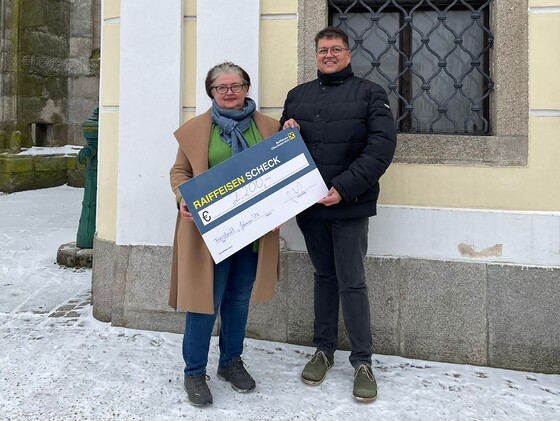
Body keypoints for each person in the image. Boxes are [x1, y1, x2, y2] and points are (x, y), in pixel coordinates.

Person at [281, 26, 396, 403]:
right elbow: (284, 152)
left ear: (348, 54)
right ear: (315, 56)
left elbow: (380, 149)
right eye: (322, 50)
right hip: (310, 208)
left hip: (349, 205)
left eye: (336, 49)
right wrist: (287, 131)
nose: (328, 55)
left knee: (352, 280)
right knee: (324, 277)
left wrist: (344, 188)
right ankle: (323, 350)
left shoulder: (370, 93)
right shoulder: (297, 96)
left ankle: (362, 361)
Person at [169, 62, 280, 407]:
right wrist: (183, 197)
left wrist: (279, 210)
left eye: (236, 85)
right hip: (208, 235)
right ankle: (194, 372)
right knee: (204, 301)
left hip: (253, 233)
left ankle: (230, 362)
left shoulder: (270, 128)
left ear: (247, 88)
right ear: (211, 92)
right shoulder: (196, 130)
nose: (230, 92)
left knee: (237, 299)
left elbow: (283, 174)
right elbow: (179, 171)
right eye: (222, 87)